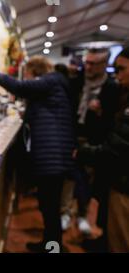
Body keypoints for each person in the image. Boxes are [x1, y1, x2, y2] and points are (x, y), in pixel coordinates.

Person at [0, 56, 76, 252]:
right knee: (48, 205)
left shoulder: (50, 81)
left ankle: (53, 247)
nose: (25, 76)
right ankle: (50, 244)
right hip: (54, 154)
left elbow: (19, 87)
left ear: (35, 71)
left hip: (52, 156)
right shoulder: (54, 85)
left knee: (50, 207)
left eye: (27, 72)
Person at [62, 48, 122, 238]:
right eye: (87, 62)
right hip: (71, 134)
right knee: (67, 177)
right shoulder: (75, 81)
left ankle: (81, 215)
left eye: (93, 63)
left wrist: (100, 113)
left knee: (85, 180)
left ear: (104, 64)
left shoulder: (113, 87)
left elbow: (114, 120)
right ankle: (64, 212)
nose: (88, 66)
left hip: (95, 140)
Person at [78, 47, 129, 252]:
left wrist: (86, 152)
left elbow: (119, 148)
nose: (117, 74)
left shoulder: (113, 89)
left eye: (121, 69)